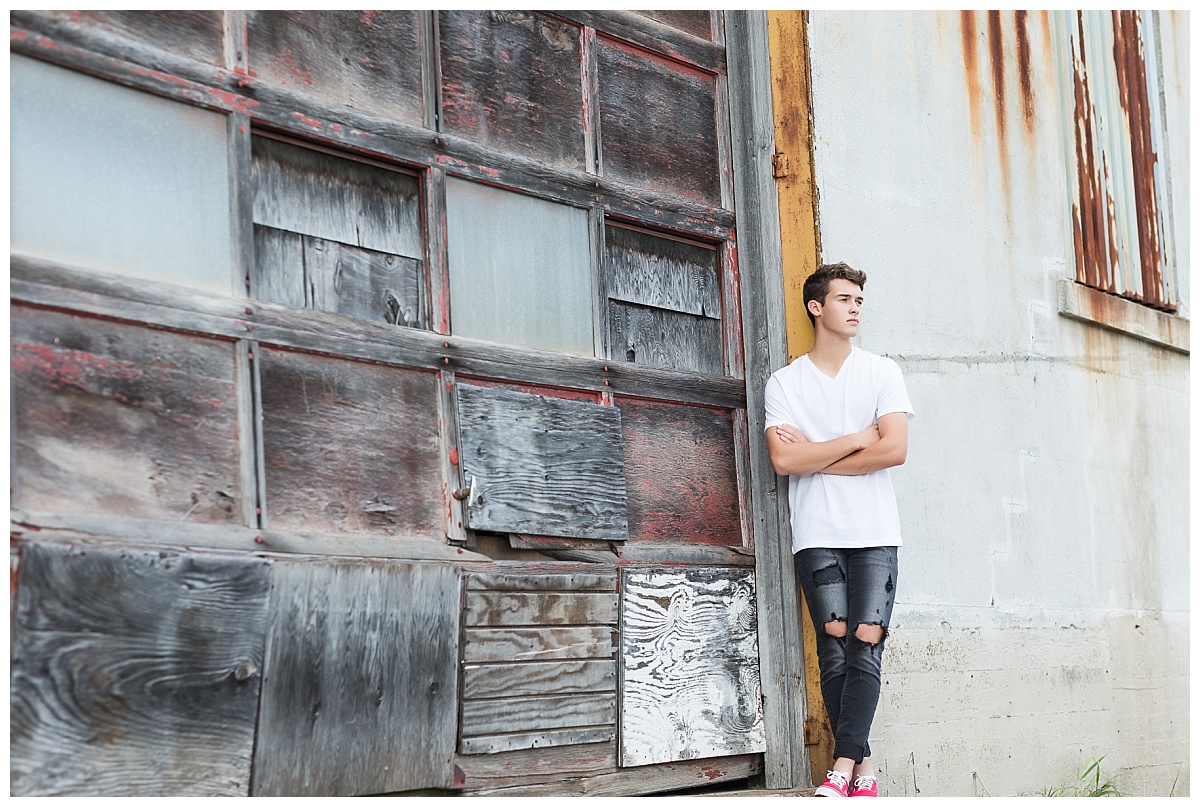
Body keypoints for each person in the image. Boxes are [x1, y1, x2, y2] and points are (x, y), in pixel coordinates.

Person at [763, 262, 914, 798]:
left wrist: (815, 455)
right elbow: (783, 460)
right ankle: (864, 771)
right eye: (845, 299)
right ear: (816, 307)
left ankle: (842, 765)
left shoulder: (881, 372)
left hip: (874, 532)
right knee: (834, 649)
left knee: (866, 644)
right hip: (818, 533)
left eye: (859, 301)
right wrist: (855, 439)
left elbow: (893, 449)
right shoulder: (784, 383)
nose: (855, 308)